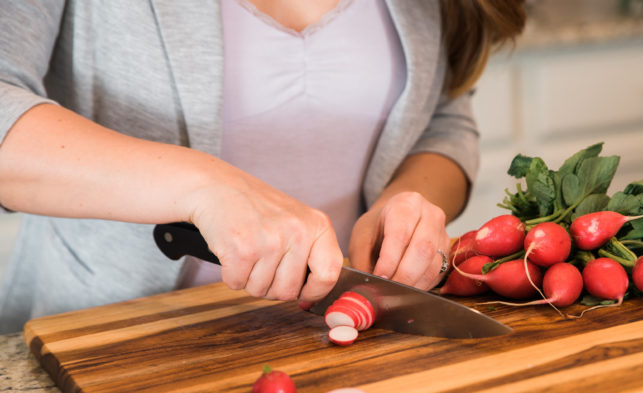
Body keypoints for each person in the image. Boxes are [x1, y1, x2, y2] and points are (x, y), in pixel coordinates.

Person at [0, 0, 526, 333]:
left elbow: (444, 115)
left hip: (327, 337)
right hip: (104, 341)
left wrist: (410, 199)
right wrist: (204, 185)